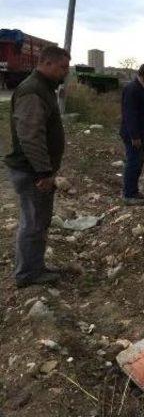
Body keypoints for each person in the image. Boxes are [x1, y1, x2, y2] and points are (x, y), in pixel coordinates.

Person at [3, 46, 70, 288]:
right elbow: (30, 135)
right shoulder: (33, 90)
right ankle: (28, 274)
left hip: (36, 170)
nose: (66, 71)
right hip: (33, 172)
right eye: (63, 67)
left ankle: (34, 267)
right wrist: (43, 172)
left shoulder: (43, 88)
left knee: (38, 220)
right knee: (33, 222)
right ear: (47, 63)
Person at [120, 63, 144, 205]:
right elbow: (130, 115)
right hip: (134, 137)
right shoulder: (133, 89)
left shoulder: (142, 89)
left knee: (138, 163)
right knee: (133, 163)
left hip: (141, 136)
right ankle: (128, 195)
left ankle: (133, 191)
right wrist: (135, 136)